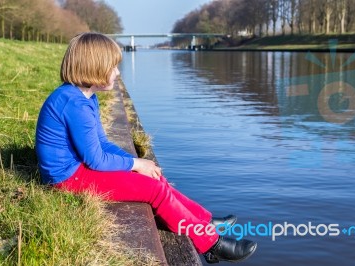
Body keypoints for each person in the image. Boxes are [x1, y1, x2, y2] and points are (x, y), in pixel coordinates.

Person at [35, 32, 257, 264]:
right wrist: (135, 163)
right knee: (155, 190)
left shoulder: (86, 97)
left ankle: (203, 221)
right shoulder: (74, 103)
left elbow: (102, 143)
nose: (118, 72)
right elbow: (95, 160)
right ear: (95, 67)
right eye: (113, 67)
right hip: (67, 179)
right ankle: (211, 245)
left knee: (155, 176)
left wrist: (139, 165)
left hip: (79, 169)